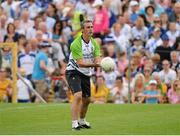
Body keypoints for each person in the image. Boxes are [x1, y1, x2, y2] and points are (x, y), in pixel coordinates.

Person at [65, 20, 101, 130]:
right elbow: (80, 63)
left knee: (87, 100)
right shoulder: (76, 44)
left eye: (91, 27)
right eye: (88, 27)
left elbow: (97, 57)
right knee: (77, 96)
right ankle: (74, 123)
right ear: (83, 30)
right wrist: (95, 64)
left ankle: (82, 120)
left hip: (86, 73)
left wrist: (99, 62)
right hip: (73, 71)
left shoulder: (94, 43)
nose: (91, 29)